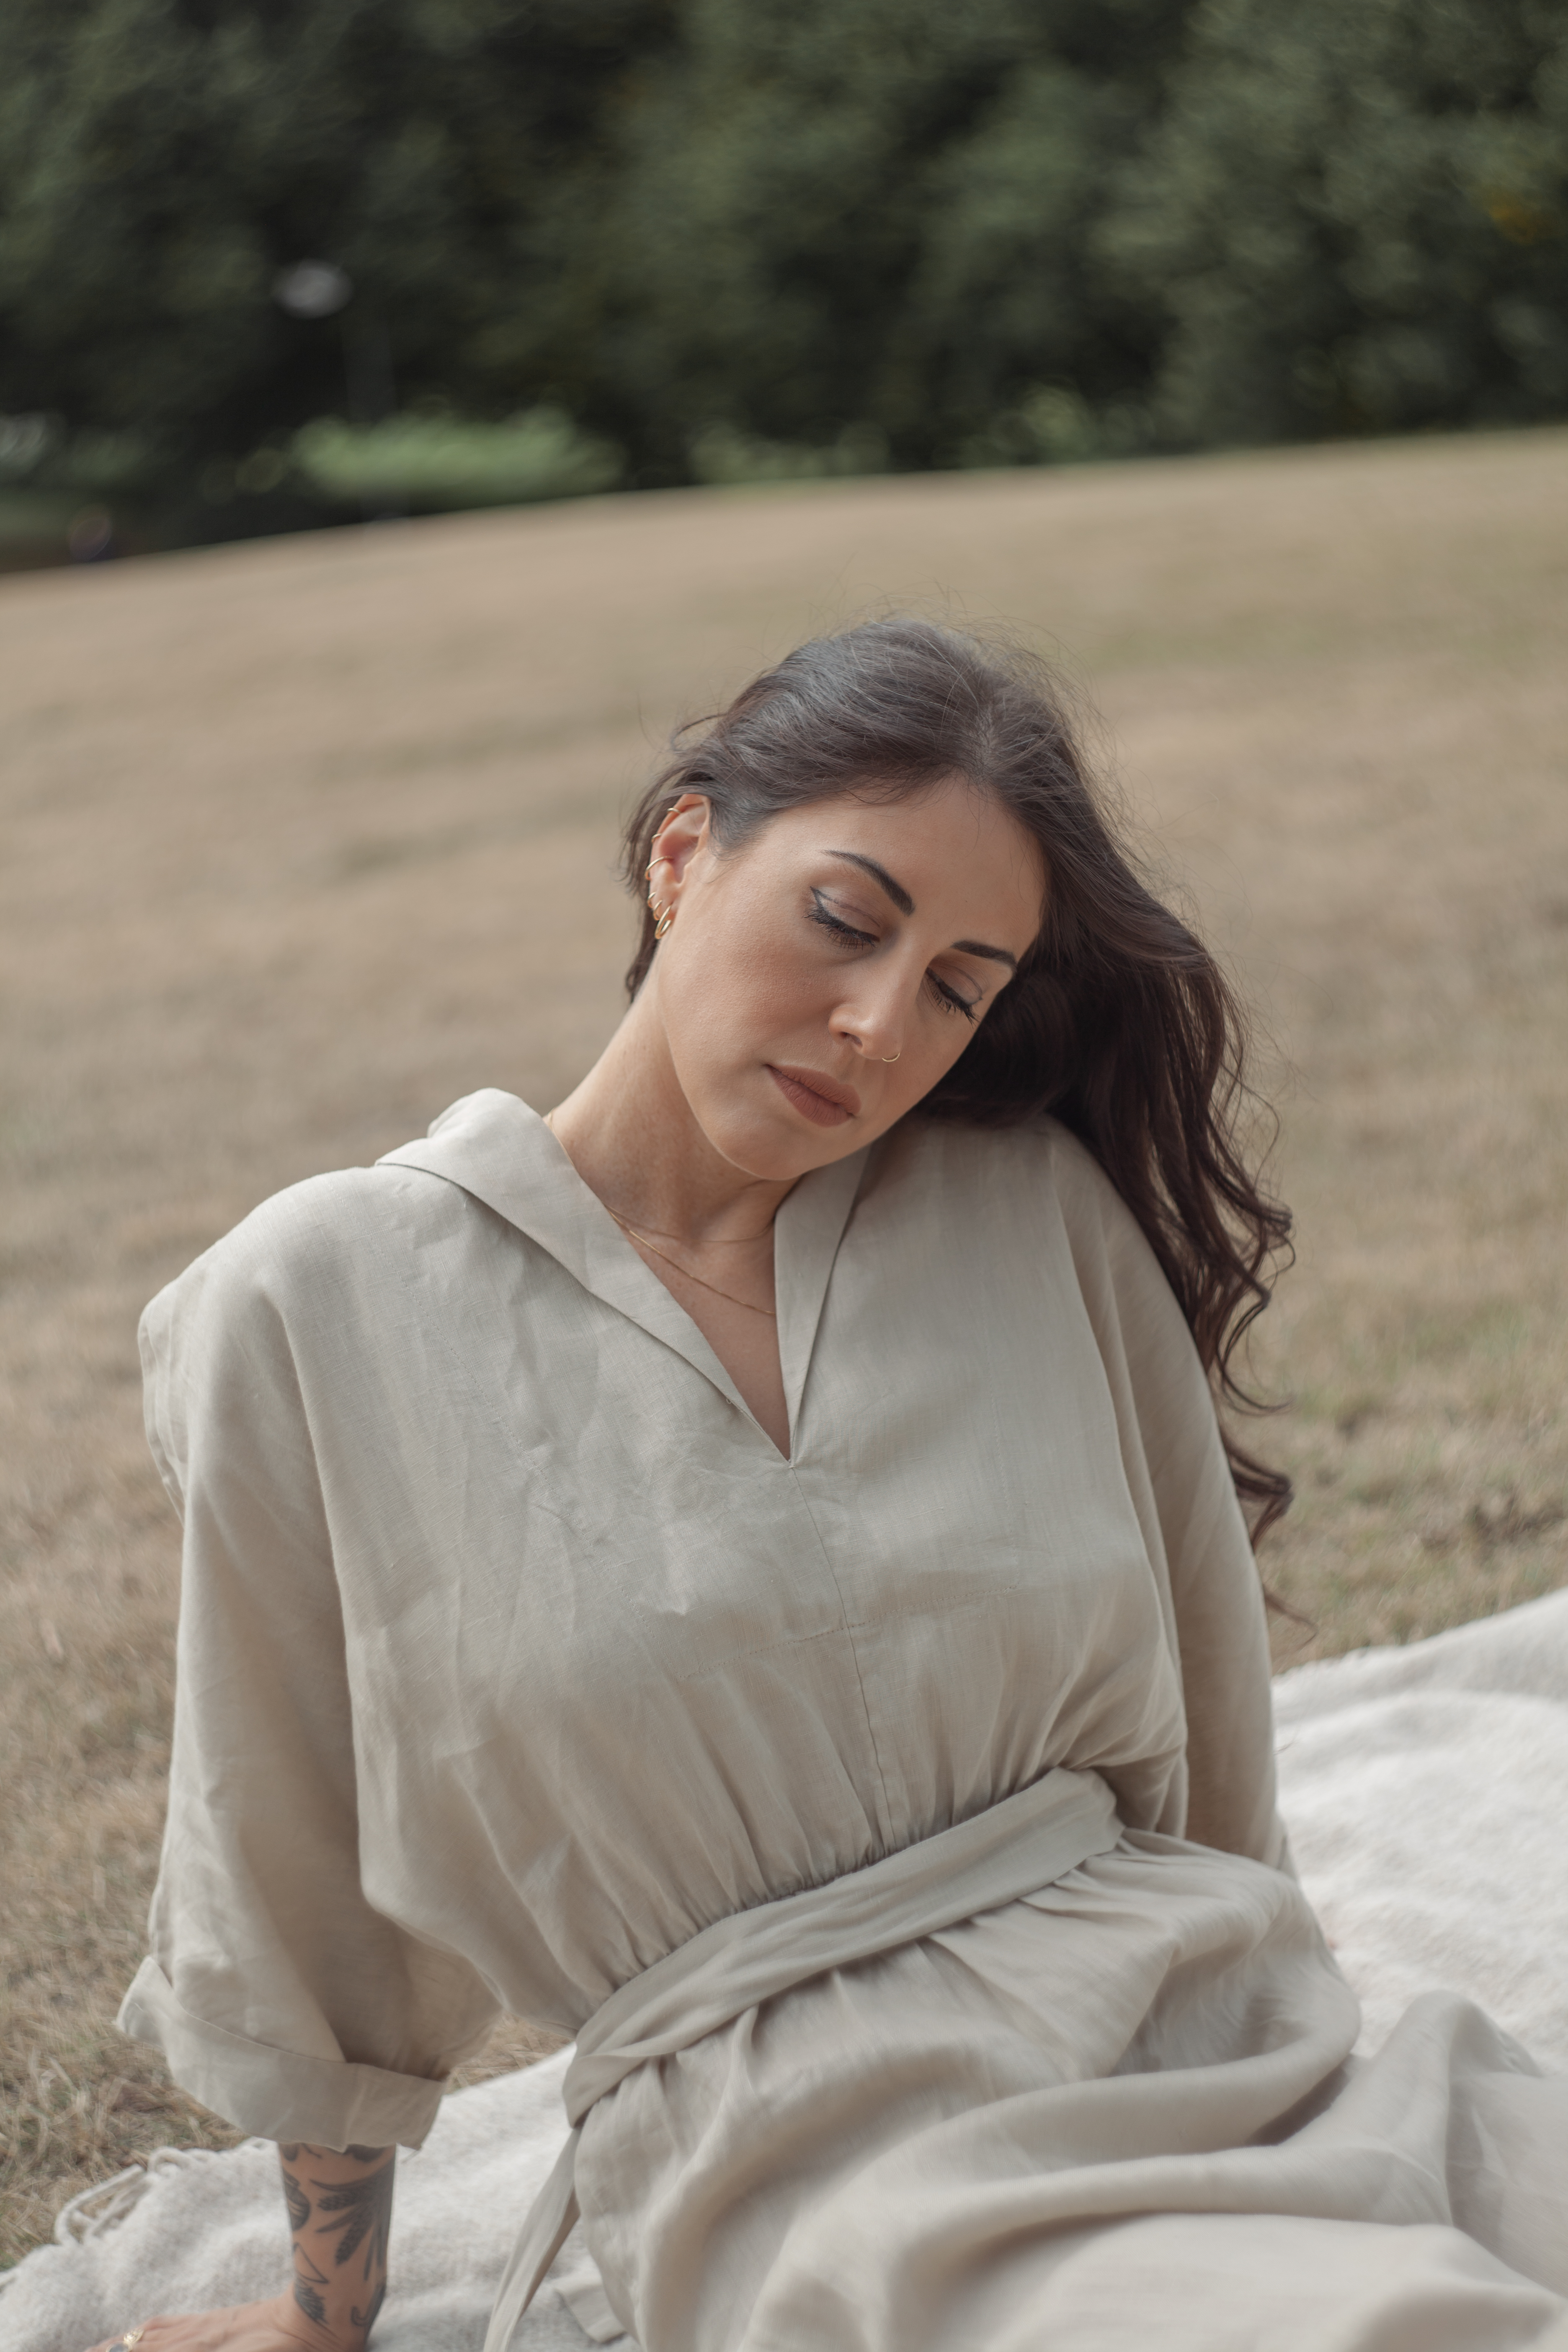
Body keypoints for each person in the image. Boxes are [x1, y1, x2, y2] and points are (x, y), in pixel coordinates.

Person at [92, 621, 1565, 2352]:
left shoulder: (1033, 1221)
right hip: (813, 2157)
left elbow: (1213, 1744)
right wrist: (324, 2313)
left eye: (958, 984)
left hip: (1222, 2039)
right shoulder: (317, 1301)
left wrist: (1285, 2035)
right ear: (682, 855)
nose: (878, 1025)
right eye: (848, 921)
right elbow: (293, 1872)